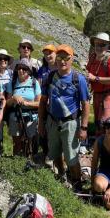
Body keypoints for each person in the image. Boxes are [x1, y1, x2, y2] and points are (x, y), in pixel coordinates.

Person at [38, 44, 90, 183]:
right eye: (60, 57)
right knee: (54, 153)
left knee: (71, 157)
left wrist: (84, 128)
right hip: (52, 121)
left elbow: (85, 104)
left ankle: (76, 182)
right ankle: (62, 176)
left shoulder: (78, 79)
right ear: (56, 59)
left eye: (66, 58)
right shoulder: (49, 77)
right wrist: (41, 124)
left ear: (72, 59)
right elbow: (43, 102)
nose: (62, 61)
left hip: (71, 123)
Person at [86, 32, 110, 138]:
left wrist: (95, 78)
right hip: (97, 92)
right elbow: (88, 73)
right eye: (97, 44)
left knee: (104, 120)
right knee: (97, 119)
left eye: (102, 45)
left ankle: (106, 142)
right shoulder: (92, 58)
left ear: (108, 46)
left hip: (109, 92)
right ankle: (98, 142)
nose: (99, 47)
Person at [5, 59, 41, 156]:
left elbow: (39, 103)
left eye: (24, 68)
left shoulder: (34, 83)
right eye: (19, 68)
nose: (21, 70)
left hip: (31, 117)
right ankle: (17, 164)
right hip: (15, 116)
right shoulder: (12, 83)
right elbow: (7, 103)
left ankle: (29, 162)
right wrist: (14, 98)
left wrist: (26, 103)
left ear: (29, 70)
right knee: (16, 143)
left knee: (29, 142)